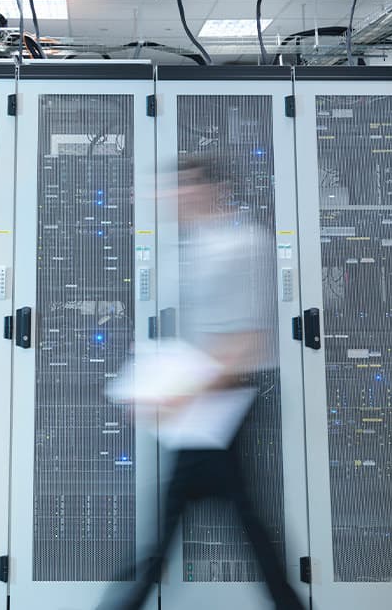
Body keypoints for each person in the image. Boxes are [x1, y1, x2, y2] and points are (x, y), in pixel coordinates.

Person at [101, 155, 304, 610]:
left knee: (186, 524)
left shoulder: (243, 244)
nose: (174, 196)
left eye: (185, 185)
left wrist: (176, 395)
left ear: (214, 189)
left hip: (224, 403)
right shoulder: (193, 246)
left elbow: (244, 343)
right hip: (203, 405)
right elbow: (196, 336)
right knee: (235, 522)